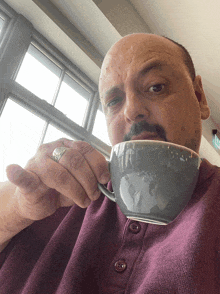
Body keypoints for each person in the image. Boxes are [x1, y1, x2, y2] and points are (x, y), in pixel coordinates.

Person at [0, 33, 220, 293]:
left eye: (156, 86)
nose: (131, 110)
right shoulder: (61, 191)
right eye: (114, 101)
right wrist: (19, 206)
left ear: (199, 98)